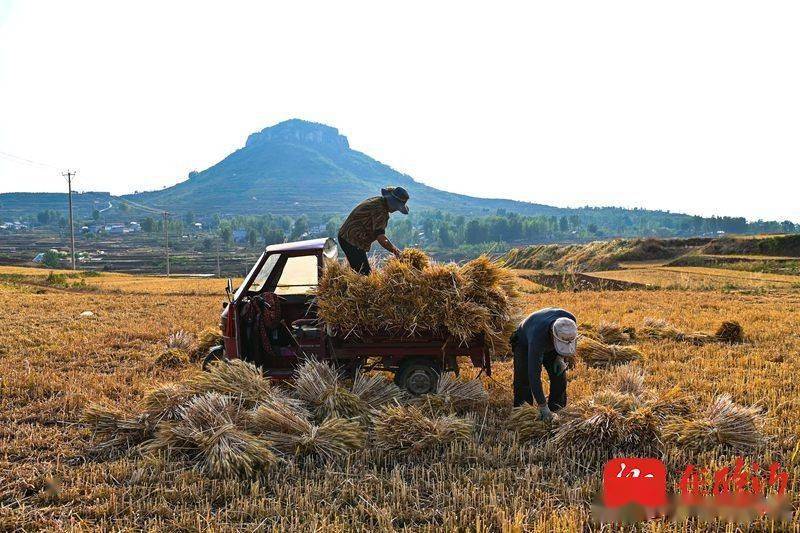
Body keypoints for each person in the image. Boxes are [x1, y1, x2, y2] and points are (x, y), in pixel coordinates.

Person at [511, 307, 578, 421]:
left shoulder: (570, 321)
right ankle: (523, 412)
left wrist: (560, 357)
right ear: (552, 335)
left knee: (559, 375)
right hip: (524, 343)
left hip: (550, 343)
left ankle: (557, 407)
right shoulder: (536, 338)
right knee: (524, 379)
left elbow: (568, 342)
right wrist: (543, 406)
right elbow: (534, 376)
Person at [337, 187, 409, 275]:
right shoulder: (380, 210)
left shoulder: (379, 201)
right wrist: (397, 253)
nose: (395, 210)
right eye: (396, 207)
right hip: (351, 239)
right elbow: (381, 238)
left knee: (363, 272)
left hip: (351, 238)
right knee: (364, 274)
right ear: (392, 202)